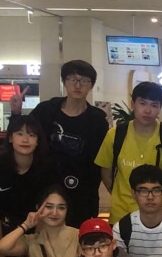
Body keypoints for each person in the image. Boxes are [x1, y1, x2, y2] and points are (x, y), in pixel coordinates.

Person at [27, 60, 110, 226]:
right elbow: (27, 134)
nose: (78, 85)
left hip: (81, 193)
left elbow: (99, 160)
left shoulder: (97, 120)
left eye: (84, 80)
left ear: (91, 85)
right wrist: (15, 113)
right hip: (45, 186)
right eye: (72, 79)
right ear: (64, 82)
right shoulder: (46, 111)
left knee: (78, 234)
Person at [95, 81, 162, 223]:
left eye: (154, 105)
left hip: (160, 218)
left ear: (160, 108)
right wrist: (119, 196)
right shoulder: (115, 135)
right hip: (121, 216)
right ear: (133, 104)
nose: (148, 110)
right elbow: (106, 172)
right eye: (143, 103)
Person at [0, 114, 55, 257]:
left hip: (34, 230)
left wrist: (35, 244)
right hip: (2, 229)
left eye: (31, 135)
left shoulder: (46, 169)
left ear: (38, 141)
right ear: (10, 138)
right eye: (19, 134)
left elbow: (45, 208)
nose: (25, 140)